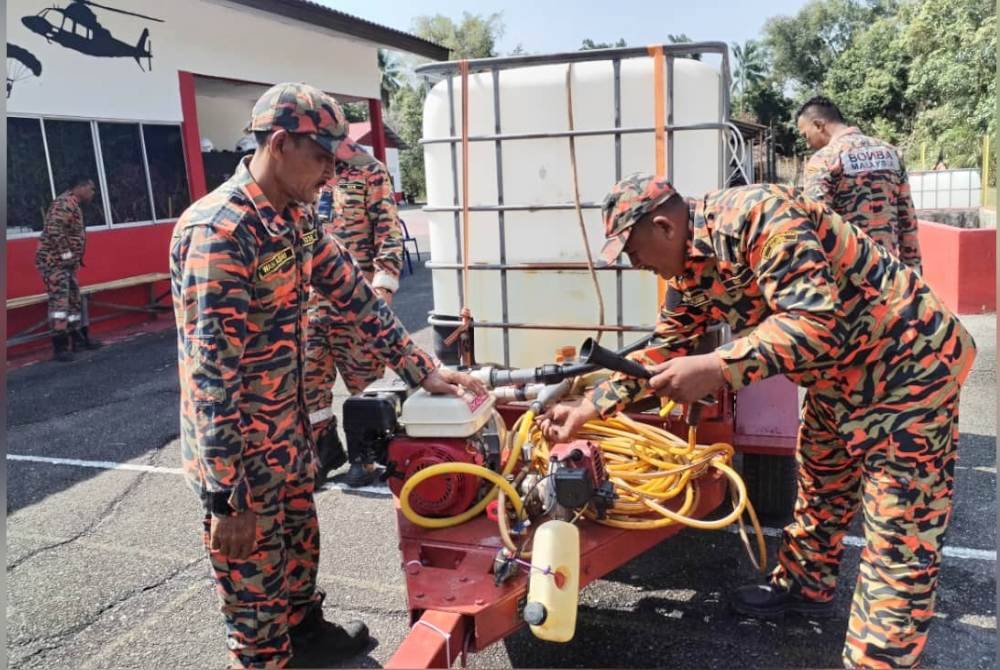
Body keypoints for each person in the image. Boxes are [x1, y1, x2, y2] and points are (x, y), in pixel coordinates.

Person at [540, 174, 976, 669]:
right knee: (821, 487)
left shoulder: (761, 217)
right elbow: (669, 346)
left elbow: (813, 323)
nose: (635, 264)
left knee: (899, 535)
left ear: (663, 225)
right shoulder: (689, 268)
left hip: (907, 369)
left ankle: (882, 659)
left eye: (633, 251)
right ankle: (806, 587)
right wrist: (589, 406)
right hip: (837, 377)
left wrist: (716, 367)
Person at [170, 82, 485, 670]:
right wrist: (225, 497)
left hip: (285, 439)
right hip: (241, 463)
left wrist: (425, 370)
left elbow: (354, 295)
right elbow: (211, 374)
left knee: (296, 562)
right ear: (282, 144)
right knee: (255, 607)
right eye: (322, 160)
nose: (331, 176)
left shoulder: (295, 222)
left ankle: (307, 637)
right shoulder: (221, 233)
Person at [304, 140, 404, 486]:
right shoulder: (306, 171)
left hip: (357, 302)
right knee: (310, 385)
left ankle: (369, 457)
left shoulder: (369, 170)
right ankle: (324, 451)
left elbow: (389, 232)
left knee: (365, 384)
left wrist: (384, 286)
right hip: (311, 305)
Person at [796, 96, 922, 271]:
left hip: (847, 279)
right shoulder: (891, 153)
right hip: (889, 275)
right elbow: (907, 219)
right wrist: (914, 274)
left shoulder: (822, 160)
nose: (808, 144)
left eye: (805, 135)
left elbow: (817, 223)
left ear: (819, 125)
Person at [35, 175, 102, 362]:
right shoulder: (64, 203)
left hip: (66, 264)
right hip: (54, 263)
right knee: (60, 303)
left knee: (73, 300)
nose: (93, 193)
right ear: (80, 187)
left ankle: (78, 340)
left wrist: (72, 260)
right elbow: (54, 231)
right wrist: (67, 256)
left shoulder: (73, 203)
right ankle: (60, 346)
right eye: (91, 188)